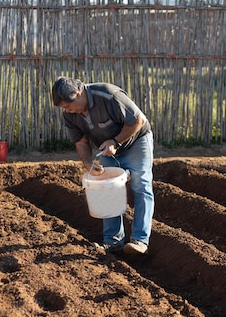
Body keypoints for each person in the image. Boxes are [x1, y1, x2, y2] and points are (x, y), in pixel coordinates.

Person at [51, 77, 154, 255]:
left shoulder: (108, 95)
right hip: (106, 149)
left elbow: (138, 121)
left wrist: (115, 141)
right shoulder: (70, 114)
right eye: (64, 108)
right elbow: (80, 141)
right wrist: (88, 163)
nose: (67, 110)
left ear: (79, 94)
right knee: (107, 189)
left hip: (136, 143)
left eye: (68, 105)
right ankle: (113, 242)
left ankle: (140, 241)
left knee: (140, 185)